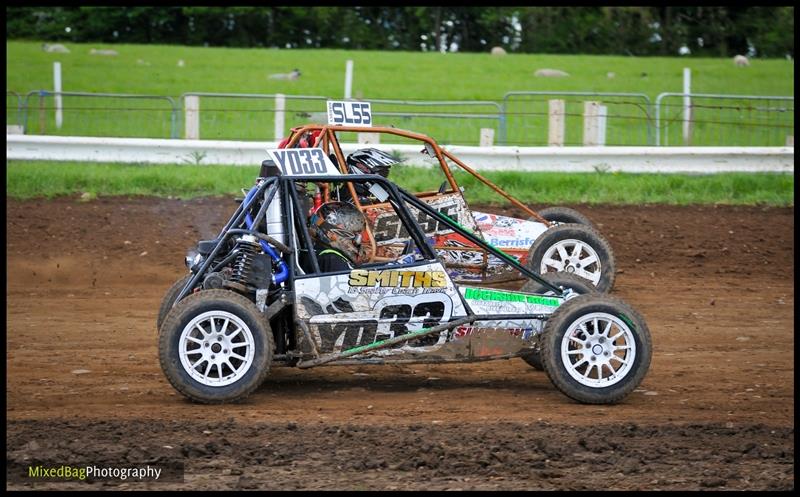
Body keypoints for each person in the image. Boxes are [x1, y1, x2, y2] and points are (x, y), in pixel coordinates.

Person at [308, 201, 368, 272]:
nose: (357, 240)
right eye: (353, 233)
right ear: (331, 233)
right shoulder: (332, 260)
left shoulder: (318, 252)